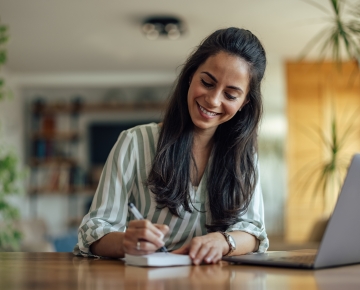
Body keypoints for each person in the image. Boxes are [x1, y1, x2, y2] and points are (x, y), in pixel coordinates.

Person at [74, 27, 269, 265]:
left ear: (244, 103)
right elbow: (93, 230)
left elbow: (255, 232)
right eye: (207, 83)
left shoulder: (244, 157)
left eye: (230, 95)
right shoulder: (134, 142)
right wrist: (126, 241)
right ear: (190, 76)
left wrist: (223, 241)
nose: (213, 100)